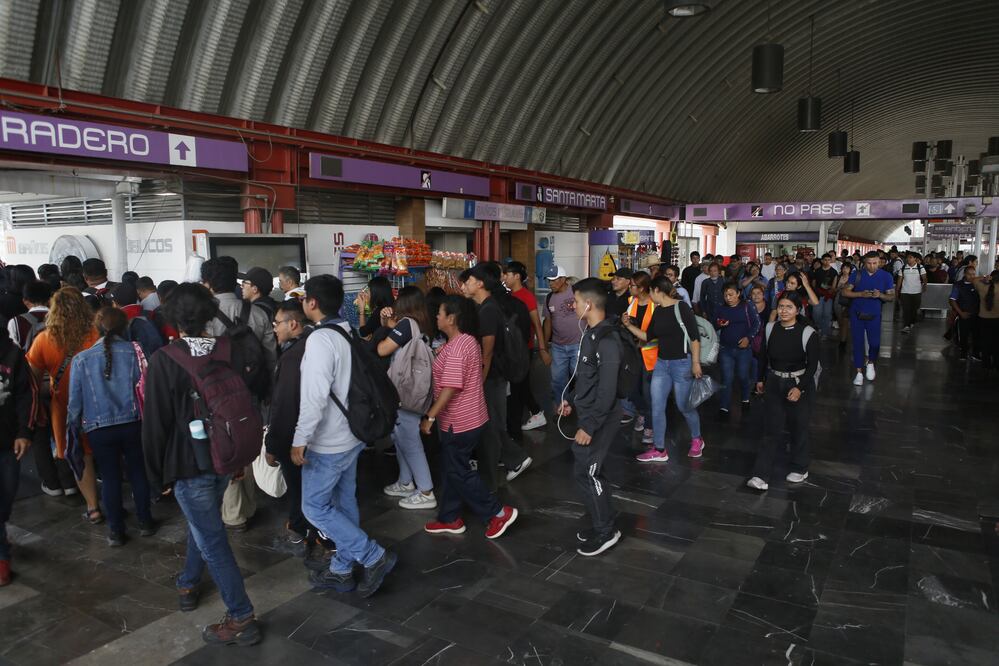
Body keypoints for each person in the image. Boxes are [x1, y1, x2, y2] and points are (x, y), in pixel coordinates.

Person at [141, 283, 261, 645]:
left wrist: (154, 476)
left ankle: (241, 617)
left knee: (212, 539)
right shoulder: (230, 350)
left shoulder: (165, 359)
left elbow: (155, 423)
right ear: (210, 315)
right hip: (225, 457)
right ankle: (189, 583)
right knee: (203, 523)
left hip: (187, 463)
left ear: (172, 318)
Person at [294, 275, 396, 597]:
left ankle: (372, 555)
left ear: (312, 302)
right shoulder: (345, 330)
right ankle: (341, 568)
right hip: (352, 434)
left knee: (314, 507)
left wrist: (300, 438)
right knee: (343, 500)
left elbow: (314, 396)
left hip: (329, 441)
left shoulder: (319, 340)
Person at [421, 295, 518, 540]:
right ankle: (449, 517)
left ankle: (497, 512)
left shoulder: (457, 347)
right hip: (472, 416)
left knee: (458, 471)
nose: (437, 317)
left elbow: (451, 387)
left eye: (440, 313)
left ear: (451, 319)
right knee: (454, 468)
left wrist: (430, 416)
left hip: (459, 421)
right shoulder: (466, 342)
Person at [67, 307, 155, 547]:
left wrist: (72, 429)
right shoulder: (135, 352)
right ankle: (145, 521)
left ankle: (116, 530)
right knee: (138, 472)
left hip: (98, 428)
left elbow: (75, 402)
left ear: (97, 327)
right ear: (124, 327)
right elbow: (146, 389)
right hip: (134, 423)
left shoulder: (81, 359)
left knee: (110, 476)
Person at [202, 258, 275, 532]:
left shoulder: (204, 316)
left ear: (207, 283)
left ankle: (233, 514)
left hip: (217, 395)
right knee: (247, 443)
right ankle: (249, 504)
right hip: (251, 390)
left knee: (224, 446)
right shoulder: (256, 313)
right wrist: (268, 390)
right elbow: (270, 357)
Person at [556, 278, 625, 556]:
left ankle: (606, 531)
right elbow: (586, 379)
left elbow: (607, 391)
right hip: (588, 413)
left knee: (588, 472)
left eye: (576, 300)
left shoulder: (607, 340)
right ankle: (603, 521)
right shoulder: (591, 334)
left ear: (589, 304)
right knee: (589, 472)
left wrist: (589, 425)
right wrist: (570, 401)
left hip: (600, 418)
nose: (572, 305)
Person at [263, 300, 333, 569]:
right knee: (309, 488)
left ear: (293, 324)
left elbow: (284, 406)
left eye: (277, 323)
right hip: (323, 434)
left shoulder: (293, 356)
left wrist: (273, 444)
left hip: (298, 437)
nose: (274, 329)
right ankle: (305, 528)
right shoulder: (320, 344)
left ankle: (315, 536)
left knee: (301, 488)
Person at [26, 287, 102, 522]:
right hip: (99, 403)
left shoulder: (44, 339)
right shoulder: (96, 333)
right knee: (105, 452)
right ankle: (112, 497)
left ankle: (93, 507)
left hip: (65, 407)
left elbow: (33, 380)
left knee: (80, 456)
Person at [462, 264, 532, 488]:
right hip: (493, 376)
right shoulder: (486, 306)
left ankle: (497, 471)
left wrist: (478, 381)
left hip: (491, 377)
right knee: (492, 423)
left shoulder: (488, 309)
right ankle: (512, 460)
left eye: (470, 280)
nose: (466, 284)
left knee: (491, 424)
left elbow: (487, 351)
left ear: (480, 283)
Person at [623, 276, 704, 463]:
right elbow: (648, 336)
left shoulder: (681, 307)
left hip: (682, 363)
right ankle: (659, 449)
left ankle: (697, 438)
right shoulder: (658, 312)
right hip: (661, 364)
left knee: (684, 406)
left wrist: (696, 363)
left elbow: (694, 337)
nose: (650, 296)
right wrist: (628, 326)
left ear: (658, 290)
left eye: (651, 292)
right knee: (657, 406)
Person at [747, 292, 820, 491]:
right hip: (774, 381)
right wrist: (760, 379)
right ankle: (760, 475)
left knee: (799, 427)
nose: (784, 311)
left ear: (798, 309)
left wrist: (799, 388)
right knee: (771, 429)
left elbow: (812, 366)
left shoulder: (807, 333)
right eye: (781, 306)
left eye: (789, 307)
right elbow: (763, 357)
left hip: (798, 382)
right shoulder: (771, 328)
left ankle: (800, 467)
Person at [374, 287, 437, 510]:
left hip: (405, 392)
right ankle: (406, 481)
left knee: (410, 442)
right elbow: (395, 332)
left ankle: (426, 491)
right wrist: (386, 321)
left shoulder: (406, 324)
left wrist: (381, 333)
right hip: (416, 390)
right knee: (402, 438)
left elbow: (382, 349)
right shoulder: (421, 324)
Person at [0, 324, 38, 586]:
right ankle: (2, 557)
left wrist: (24, 431)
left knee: (6, 493)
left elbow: (27, 395)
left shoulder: (12, 355)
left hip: (7, 442)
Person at [502, 261, 549, 433]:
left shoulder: (526, 296)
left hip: (524, 349)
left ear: (517, 277)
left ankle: (534, 414)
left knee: (519, 385)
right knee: (519, 386)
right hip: (511, 349)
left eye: (507, 274)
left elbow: (537, 324)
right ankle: (533, 414)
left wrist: (542, 349)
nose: (504, 278)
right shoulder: (508, 295)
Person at [842, 251, 895, 385]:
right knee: (857, 342)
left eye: (875, 263)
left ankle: (871, 361)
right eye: (869, 263)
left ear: (880, 262)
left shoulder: (886, 276)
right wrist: (860, 294)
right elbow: (845, 292)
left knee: (875, 343)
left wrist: (880, 295)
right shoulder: (857, 274)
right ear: (864, 263)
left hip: (875, 314)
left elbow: (891, 296)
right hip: (856, 314)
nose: (872, 266)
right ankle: (859, 371)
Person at [544, 265, 584, 420]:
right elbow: (548, 322)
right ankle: (562, 408)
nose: (550, 284)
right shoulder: (549, 298)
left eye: (553, 280)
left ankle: (583, 409)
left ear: (563, 279)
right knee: (557, 380)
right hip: (558, 346)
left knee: (582, 377)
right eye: (549, 281)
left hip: (578, 344)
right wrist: (545, 346)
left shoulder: (577, 292)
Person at [714, 282, 761, 415]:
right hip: (725, 349)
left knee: (742, 376)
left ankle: (745, 398)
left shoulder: (747, 305)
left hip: (744, 350)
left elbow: (757, 323)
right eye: (725, 295)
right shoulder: (720, 308)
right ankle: (724, 406)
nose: (728, 298)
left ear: (738, 294)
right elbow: (714, 324)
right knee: (727, 378)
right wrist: (719, 323)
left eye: (731, 294)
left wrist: (748, 338)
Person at [8, 279, 51, 352]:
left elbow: (14, 351)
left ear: (25, 301)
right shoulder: (61, 317)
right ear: (49, 300)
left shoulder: (15, 322)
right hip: (58, 362)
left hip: (28, 362)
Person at [949, 267, 980, 361]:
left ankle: (976, 353)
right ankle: (963, 353)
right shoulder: (958, 285)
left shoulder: (978, 284)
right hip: (964, 314)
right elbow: (952, 300)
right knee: (963, 335)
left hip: (977, 314)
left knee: (976, 335)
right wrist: (961, 313)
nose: (972, 276)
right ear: (964, 274)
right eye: (969, 274)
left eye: (974, 274)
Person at [973, 270, 999, 369]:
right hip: (997, 319)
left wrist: (984, 278)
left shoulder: (982, 287)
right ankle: (996, 363)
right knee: (996, 342)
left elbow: (974, 279)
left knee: (985, 341)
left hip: (983, 319)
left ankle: (986, 363)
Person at [355, 275, 393, 339]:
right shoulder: (393, 304)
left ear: (375, 293)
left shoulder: (380, 311)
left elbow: (363, 333)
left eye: (368, 291)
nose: (367, 294)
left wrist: (362, 310)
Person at [897, 252, 927, 334]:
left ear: (915, 259)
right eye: (907, 258)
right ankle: (906, 325)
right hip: (905, 292)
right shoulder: (903, 268)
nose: (908, 259)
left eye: (910, 257)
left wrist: (925, 285)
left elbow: (924, 278)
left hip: (916, 292)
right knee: (906, 309)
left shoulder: (920, 268)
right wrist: (897, 291)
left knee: (914, 309)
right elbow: (899, 280)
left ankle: (912, 322)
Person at [811, 254, 839, 337]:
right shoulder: (817, 271)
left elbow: (834, 286)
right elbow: (813, 283)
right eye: (825, 260)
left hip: (828, 296)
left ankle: (825, 332)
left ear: (831, 261)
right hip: (818, 295)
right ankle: (819, 326)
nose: (827, 262)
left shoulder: (834, 272)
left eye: (828, 260)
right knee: (816, 313)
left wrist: (830, 288)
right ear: (822, 261)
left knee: (827, 314)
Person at [834, 263, 855, 352]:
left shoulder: (852, 278)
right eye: (844, 267)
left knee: (845, 320)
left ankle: (843, 341)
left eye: (847, 268)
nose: (845, 269)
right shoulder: (838, 277)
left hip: (848, 300)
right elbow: (833, 289)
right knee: (840, 321)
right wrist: (839, 287)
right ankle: (842, 337)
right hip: (838, 300)